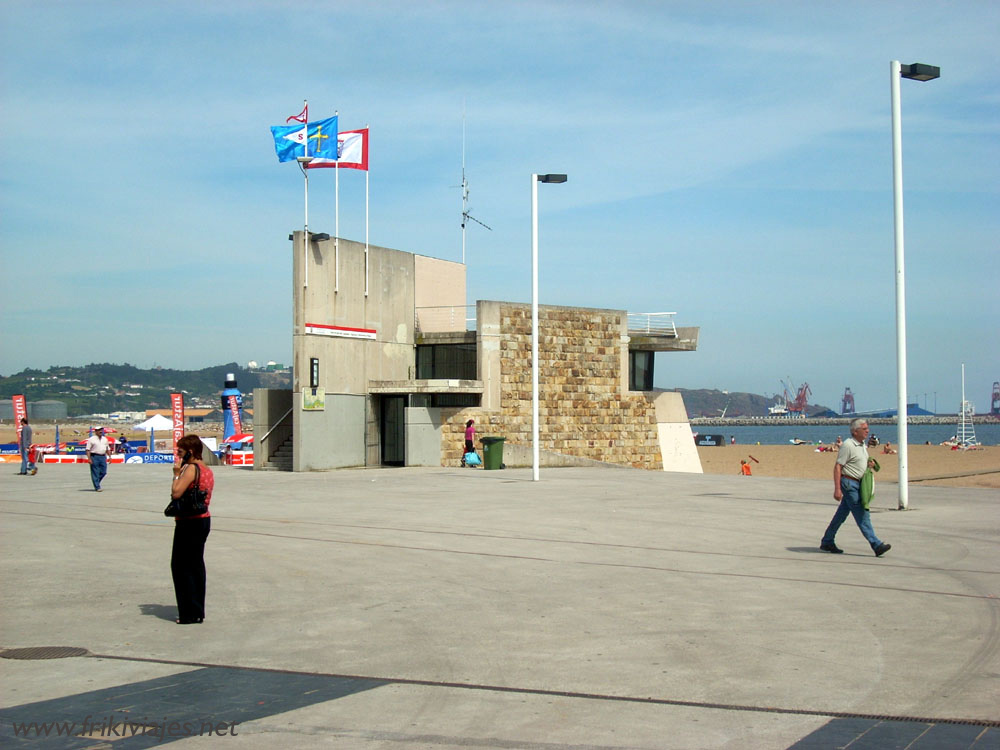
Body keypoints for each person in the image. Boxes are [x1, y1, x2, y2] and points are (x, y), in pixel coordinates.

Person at [820, 418, 891, 557]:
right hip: (849, 483)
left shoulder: (862, 445)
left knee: (841, 515)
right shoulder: (848, 445)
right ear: (855, 431)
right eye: (864, 429)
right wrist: (837, 489)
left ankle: (827, 540)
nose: (867, 431)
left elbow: (859, 461)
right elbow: (838, 466)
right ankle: (876, 544)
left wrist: (869, 465)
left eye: (867, 428)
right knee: (862, 514)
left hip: (859, 483)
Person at [170, 434, 214, 624]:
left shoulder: (190, 469)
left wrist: (176, 473)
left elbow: (176, 492)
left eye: (180, 451)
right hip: (203, 520)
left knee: (181, 566)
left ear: (190, 451)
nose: (178, 455)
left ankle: (188, 613)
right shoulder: (207, 470)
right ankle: (196, 610)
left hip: (189, 521)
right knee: (196, 565)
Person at [85, 426, 111, 491]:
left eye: (101, 430)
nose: (100, 431)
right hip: (94, 456)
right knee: (95, 472)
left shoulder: (105, 439)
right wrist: (89, 458)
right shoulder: (91, 439)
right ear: (96, 431)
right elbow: (88, 450)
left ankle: (96, 482)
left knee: (103, 472)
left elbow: (107, 448)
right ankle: (97, 487)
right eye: (99, 430)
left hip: (102, 456)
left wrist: (110, 457)